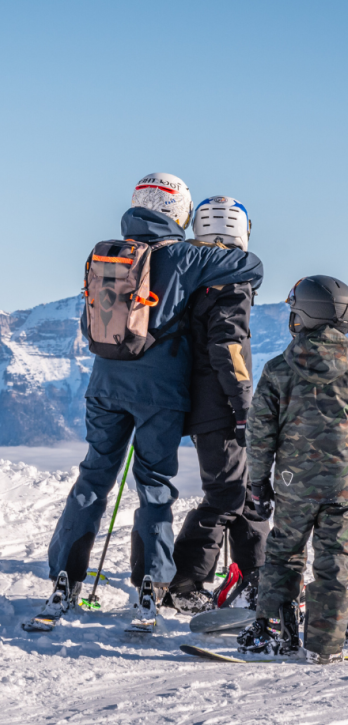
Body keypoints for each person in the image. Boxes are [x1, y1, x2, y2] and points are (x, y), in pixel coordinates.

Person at [43, 174, 264, 620]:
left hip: (104, 386)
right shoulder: (185, 255)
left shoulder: (103, 251)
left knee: (93, 478)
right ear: (179, 212)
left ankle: (64, 574)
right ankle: (152, 580)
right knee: (154, 488)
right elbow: (252, 267)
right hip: (159, 394)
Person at [238, 275, 348, 664]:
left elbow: (260, 433)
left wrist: (257, 484)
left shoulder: (278, 370)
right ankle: (326, 643)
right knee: (336, 560)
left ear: (304, 315)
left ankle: (273, 630)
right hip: (344, 486)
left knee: (284, 555)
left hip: (292, 485)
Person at [168, 196, 270, 613]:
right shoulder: (231, 281)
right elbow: (228, 347)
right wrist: (245, 407)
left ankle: (254, 578)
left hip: (200, 400)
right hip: (221, 407)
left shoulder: (194, 277)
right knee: (228, 495)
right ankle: (185, 582)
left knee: (244, 493)